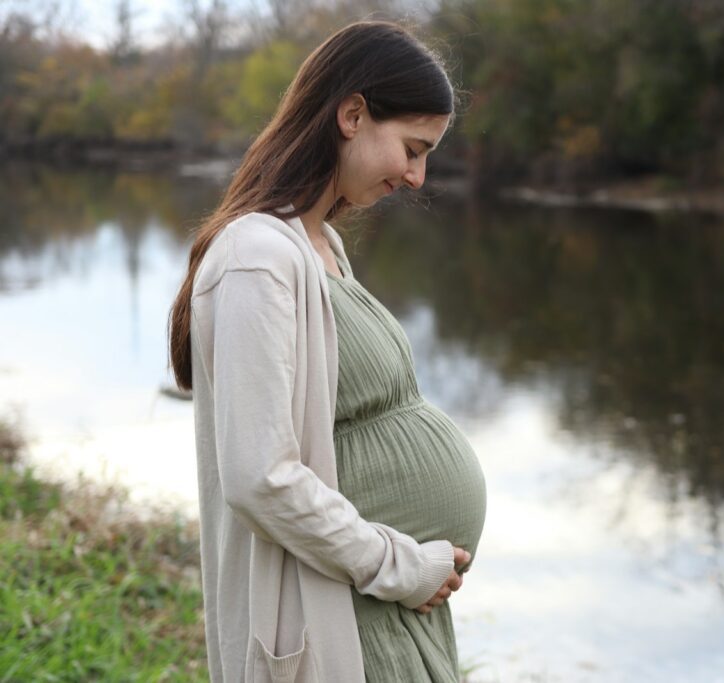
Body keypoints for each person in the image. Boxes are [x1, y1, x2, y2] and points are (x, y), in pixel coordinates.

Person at [167, 21, 487, 683]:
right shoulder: (256, 257)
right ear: (352, 114)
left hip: (377, 605)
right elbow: (260, 475)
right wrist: (398, 566)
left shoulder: (319, 246)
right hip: (336, 611)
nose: (417, 175)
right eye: (412, 147)